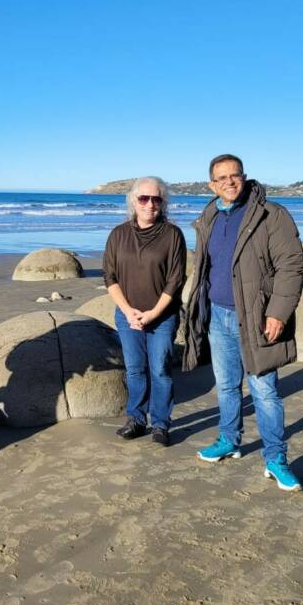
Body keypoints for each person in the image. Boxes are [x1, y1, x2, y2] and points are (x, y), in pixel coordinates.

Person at [182, 154, 303, 491]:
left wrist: (278, 312)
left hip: (255, 317)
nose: (229, 182)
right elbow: (204, 266)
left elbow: (291, 265)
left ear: (245, 177)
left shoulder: (271, 215)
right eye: (221, 178)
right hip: (217, 315)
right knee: (225, 385)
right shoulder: (208, 216)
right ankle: (229, 440)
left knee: (265, 392)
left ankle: (276, 459)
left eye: (234, 175)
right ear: (211, 184)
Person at [103, 177, 187, 447]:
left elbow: (175, 280)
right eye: (144, 198)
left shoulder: (172, 235)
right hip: (128, 317)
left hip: (162, 317)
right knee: (135, 370)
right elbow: (110, 277)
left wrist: (152, 314)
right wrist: (128, 312)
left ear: (163, 203)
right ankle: (136, 420)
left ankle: (161, 424)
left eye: (156, 199)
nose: (150, 204)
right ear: (133, 201)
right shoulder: (118, 235)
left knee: (160, 369)